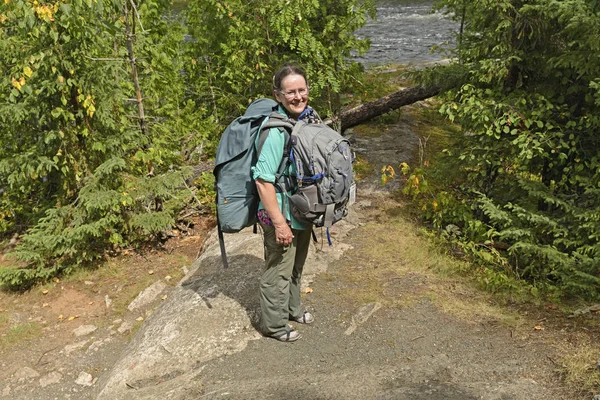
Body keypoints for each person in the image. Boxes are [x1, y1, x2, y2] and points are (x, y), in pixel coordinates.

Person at [251, 64, 320, 342]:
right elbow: (263, 182)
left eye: (301, 90)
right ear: (278, 95)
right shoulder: (275, 132)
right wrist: (279, 223)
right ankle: (275, 325)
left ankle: (292, 310)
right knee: (277, 271)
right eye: (290, 92)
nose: (298, 96)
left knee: (296, 265)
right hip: (279, 213)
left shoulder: (307, 120)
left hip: (300, 208)